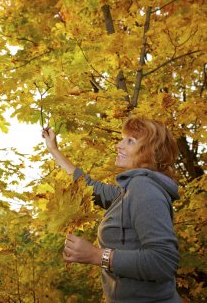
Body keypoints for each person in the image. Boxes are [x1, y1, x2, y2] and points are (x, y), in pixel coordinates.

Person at [42, 117, 181, 303]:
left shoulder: (144, 188)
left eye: (130, 141)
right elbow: (88, 186)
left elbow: (163, 262)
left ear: (150, 152)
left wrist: (97, 255)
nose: (118, 145)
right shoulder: (128, 190)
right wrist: (54, 150)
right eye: (123, 139)